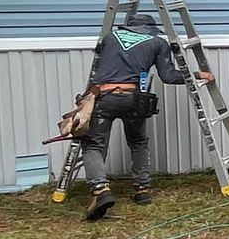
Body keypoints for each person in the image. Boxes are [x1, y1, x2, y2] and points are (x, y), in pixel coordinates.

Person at [80, 11, 210, 221]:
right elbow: (168, 76)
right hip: (133, 98)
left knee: (94, 145)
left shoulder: (110, 37)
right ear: (150, 28)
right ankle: (142, 190)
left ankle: (100, 190)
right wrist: (197, 75)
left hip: (104, 97)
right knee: (138, 141)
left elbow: (99, 67)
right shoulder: (157, 42)